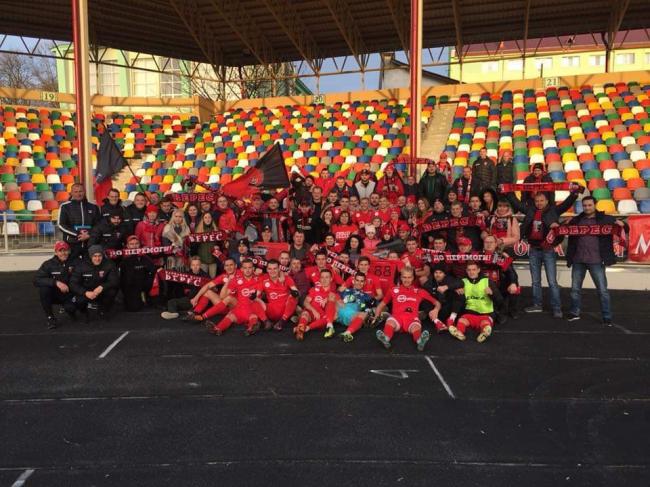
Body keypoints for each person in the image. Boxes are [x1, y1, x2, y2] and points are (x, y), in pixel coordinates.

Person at [508, 185, 581, 318]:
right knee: (535, 281)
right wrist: (507, 192)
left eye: (542, 200)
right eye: (537, 201)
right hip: (533, 249)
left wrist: (575, 193)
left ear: (547, 201)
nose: (539, 203)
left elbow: (566, 204)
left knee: (552, 281)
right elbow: (516, 203)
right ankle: (537, 305)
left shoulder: (554, 210)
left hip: (548, 250)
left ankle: (557, 308)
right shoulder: (530, 210)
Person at [566, 196, 625, 326]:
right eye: (584, 205)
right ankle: (574, 312)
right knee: (575, 289)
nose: (587, 208)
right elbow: (563, 230)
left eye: (589, 205)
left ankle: (607, 317)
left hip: (597, 260)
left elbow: (625, 228)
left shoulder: (606, 219)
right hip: (578, 259)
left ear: (595, 205)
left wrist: (623, 224)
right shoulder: (576, 220)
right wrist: (565, 224)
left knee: (602, 290)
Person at [373, 267, 439, 351]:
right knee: (390, 322)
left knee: (416, 326)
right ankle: (386, 338)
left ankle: (420, 341)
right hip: (396, 318)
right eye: (404, 277)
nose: (406, 280)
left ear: (413, 278)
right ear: (401, 277)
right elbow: (381, 305)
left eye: (409, 277)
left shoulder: (419, 291)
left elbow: (437, 303)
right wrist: (376, 317)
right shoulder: (393, 290)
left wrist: (436, 310)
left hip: (412, 319)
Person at [448, 262, 502, 343]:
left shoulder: (487, 281)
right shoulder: (463, 281)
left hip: (486, 313)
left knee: (485, 323)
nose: (471, 272)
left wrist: (492, 294)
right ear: (466, 271)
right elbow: (453, 285)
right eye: (469, 270)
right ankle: (459, 333)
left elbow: (500, 300)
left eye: (474, 269)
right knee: (461, 321)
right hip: (470, 313)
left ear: (478, 270)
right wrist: (456, 289)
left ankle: (485, 332)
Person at [210, 259, 263, 336]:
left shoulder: (259, 278)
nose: (247, 270)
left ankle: (250, 329)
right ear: (242, 269)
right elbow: (223, 296)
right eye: (245, 268)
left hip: (252, 308)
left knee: (253, 316)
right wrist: (228, 281)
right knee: (230, 316)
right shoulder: (237, 280)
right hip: (240, 308)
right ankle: (217, 329)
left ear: (253, 268)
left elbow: (259, 293)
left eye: (250, 267)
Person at [33, 241, 77, 329]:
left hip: (70, 293)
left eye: (65, 250)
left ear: (69, 251)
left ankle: (71, 311)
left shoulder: (76, 262)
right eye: (60, 251)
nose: (63, 253)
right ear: (56, 252)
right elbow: (36, 280)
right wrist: (56, 282)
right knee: (44, 289)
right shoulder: (48, 264)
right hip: (55, 294)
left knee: (71, 308)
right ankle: (50, 318)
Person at [70, 245, 119, 320]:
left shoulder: (109, 264)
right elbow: (73, 283)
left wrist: (102, 287)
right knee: (79, 300)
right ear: (90, 256)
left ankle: (103, 309)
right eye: (95, 256)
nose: (97, 259)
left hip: (101, 291)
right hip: (87, 291)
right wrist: (85, 292)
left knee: (112, 291)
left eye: (100, 256)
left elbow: (114, 280)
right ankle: (84, 311)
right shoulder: (81, 266)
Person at [57, 183, 100, 261]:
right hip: (71, 244)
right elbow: (61, 225)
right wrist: (78, 234)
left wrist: (89, 234)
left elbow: (98, 225)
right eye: (76, 192)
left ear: (84, 192)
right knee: (71, 266)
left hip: (89, 243)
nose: (78, 194)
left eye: (80, 191)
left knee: (89, 266)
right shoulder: (65, 207)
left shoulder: (94, 207)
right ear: (71, 193)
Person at [293, 269, 339, 340]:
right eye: (322, 277)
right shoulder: (314, 289)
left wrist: (328, 298)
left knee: (331, 317)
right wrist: (314, 311)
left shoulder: (333, 294)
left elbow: (337, 310)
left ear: (331, 279)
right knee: (305, 313)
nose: (324, 280)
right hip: (311, 313)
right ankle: (301, 329)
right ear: (319, 279)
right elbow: (306, 302)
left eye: (327, 277)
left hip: (322, 319)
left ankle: (306, 328)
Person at [257, 259, 300, 331]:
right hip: (270, 311)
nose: (272, 271)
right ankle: (266, 322)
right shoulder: (263, 278)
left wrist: (294, 293)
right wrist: (254, 297)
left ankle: (282, 322)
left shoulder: (287, 278)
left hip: (285, 310)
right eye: (270, 269)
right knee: (253, 299)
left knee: (294, 297)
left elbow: (296, 291)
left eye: (275, 268)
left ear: (279, 269)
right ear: (267, 270)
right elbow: (257, 294)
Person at [421, 264, 463, 332]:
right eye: (436, 272)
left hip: (449, 309)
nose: (438, 275)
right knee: (424, 301)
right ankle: (438, 323)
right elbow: (425, 293)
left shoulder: (449, 279)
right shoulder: (430, 282)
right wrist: (436, 307)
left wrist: (447, 287)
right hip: (436, 311)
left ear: (444, 274)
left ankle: (451, 320)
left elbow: (460, 282)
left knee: (459, 293)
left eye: (440, 273)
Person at [119, 236, 156, 312]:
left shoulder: (145, 256)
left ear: (139, 245)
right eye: (131, 244)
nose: (134, 246)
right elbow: (123, 279)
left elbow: (152, 270)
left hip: (144, 284)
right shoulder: (123, 258)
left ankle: (145, 295)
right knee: (133, 308)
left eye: (136, 243)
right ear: (127, 246)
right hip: (130, 286)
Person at [336, 273, 377, 342]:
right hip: (338, 314)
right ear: (353, 281)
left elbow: (377, 307)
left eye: (361, 281)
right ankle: (329, 326)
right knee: (334, 299)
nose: (359, 283)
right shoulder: (344, 290)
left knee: (364, 314)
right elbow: (333, 298)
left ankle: (347, 333)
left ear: (364, 283)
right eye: (357, 280)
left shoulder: (367, 297)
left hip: (352, 316)